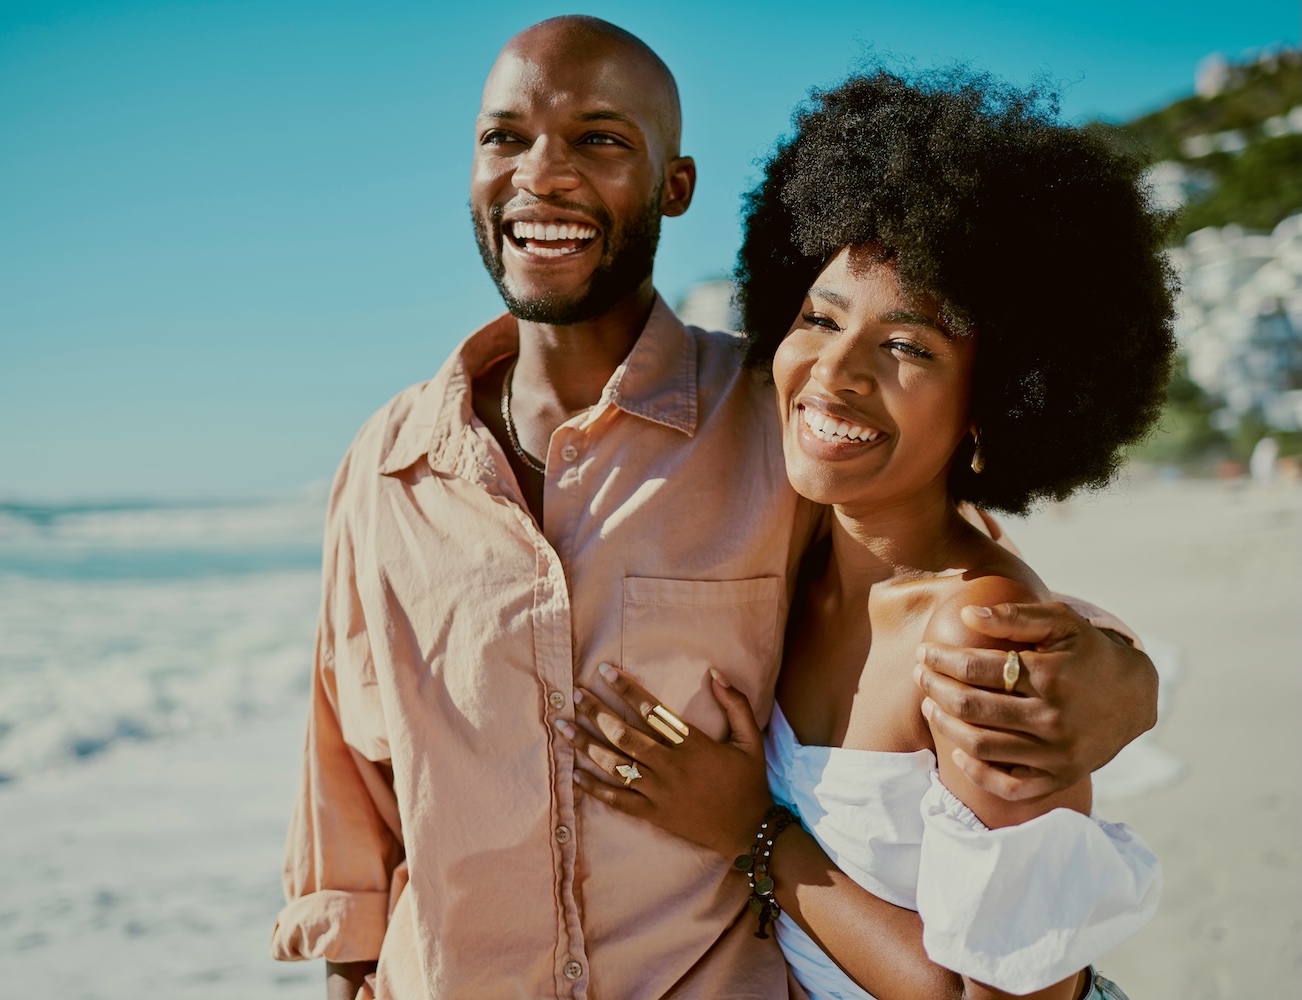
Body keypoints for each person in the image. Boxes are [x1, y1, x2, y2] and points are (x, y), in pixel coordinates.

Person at [271, 18, 1162, 1000]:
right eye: (505, 136)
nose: (544, 174)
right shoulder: (385, 467)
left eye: (601, 138)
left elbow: (973, 597)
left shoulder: (761, 424)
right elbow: (347, 779)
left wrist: (1123, 679)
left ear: (674, 184)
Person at [563, 69, 1175, 999]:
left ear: (994, 403)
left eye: (908, 345)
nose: (835, 372)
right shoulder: (795, 550)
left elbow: (1012, 998)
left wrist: (752, 836)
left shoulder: (981, 637)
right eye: (818, 318)